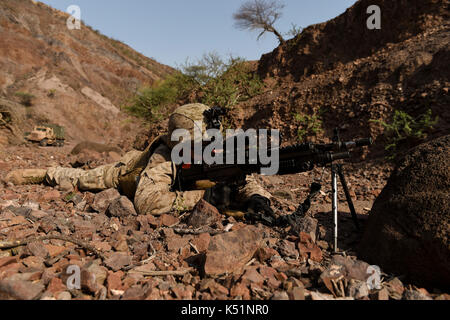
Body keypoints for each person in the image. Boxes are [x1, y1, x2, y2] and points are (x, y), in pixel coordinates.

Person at [6, 104, 274, 218]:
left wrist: (256, 197)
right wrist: (205, 198)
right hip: (125, 172)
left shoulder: (212, 149)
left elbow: (240, 177)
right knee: (81, 179)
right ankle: (43, 173)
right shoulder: (164, 157)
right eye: (198, 145)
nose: (208, 149)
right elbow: (145, 202)